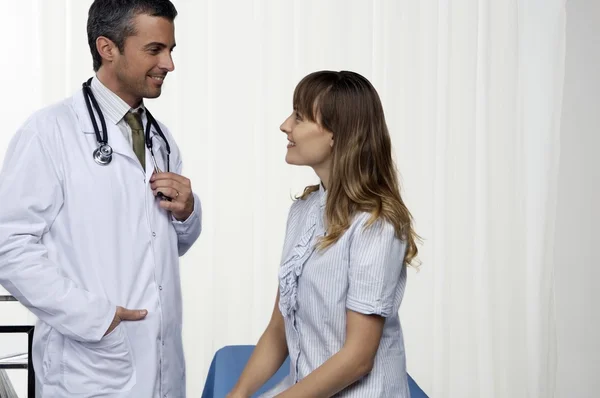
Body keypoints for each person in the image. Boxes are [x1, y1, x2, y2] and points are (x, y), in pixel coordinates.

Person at [0, 1, 201, 397]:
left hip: (161, 368)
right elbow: (9, 248)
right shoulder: (49, 133)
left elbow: (160, 246)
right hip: (89, 369)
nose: (169, 65)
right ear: (108, 48)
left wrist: (187, 213)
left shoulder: (161, 139)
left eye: (171, 50)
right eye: (155, 50)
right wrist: (94, 317)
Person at [228, 70, 419, 397]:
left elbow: (358, 359)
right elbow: (279, 330)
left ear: (336, 134)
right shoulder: (303, 211)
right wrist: (238, 394)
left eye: (299, 117)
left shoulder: (376, 225)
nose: (285, 125)